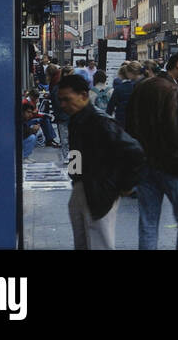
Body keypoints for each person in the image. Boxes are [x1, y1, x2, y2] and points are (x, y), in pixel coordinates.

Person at [125, 46, 178, 250]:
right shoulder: (176, 93)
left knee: (148, 222)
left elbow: (130, 126)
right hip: (173, 166)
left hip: (146, 164)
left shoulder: (143, 87)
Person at [58, 73, 145, 250]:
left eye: (67, 99)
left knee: (99, 242)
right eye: (61, 100)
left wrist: (125, 186)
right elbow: (76, 152)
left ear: (83, 95)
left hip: (100, 190)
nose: (63, 105)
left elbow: (135, 151)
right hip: (84, 187)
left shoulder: (100, 122)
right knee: (84, 241)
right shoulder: (77, 120)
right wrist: (75, 177)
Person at [105, 61, 142, 128]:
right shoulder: (136, 86)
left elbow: (110, 106)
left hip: (120, 118)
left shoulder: (118, 88)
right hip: (133, 119)